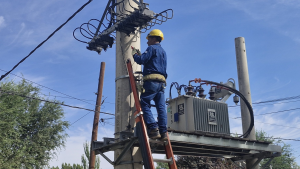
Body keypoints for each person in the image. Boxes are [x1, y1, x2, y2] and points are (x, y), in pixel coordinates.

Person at [132, 29, 168, 140]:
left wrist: (135, 55)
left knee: (144, 103)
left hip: (151, 81)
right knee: (161, 107)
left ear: (153, 38)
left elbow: (142, 60)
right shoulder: (163, 52)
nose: (147, 42)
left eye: (148, 39)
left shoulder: (151, 48)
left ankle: (153, 127)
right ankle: (163, 132)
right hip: (161, 84)